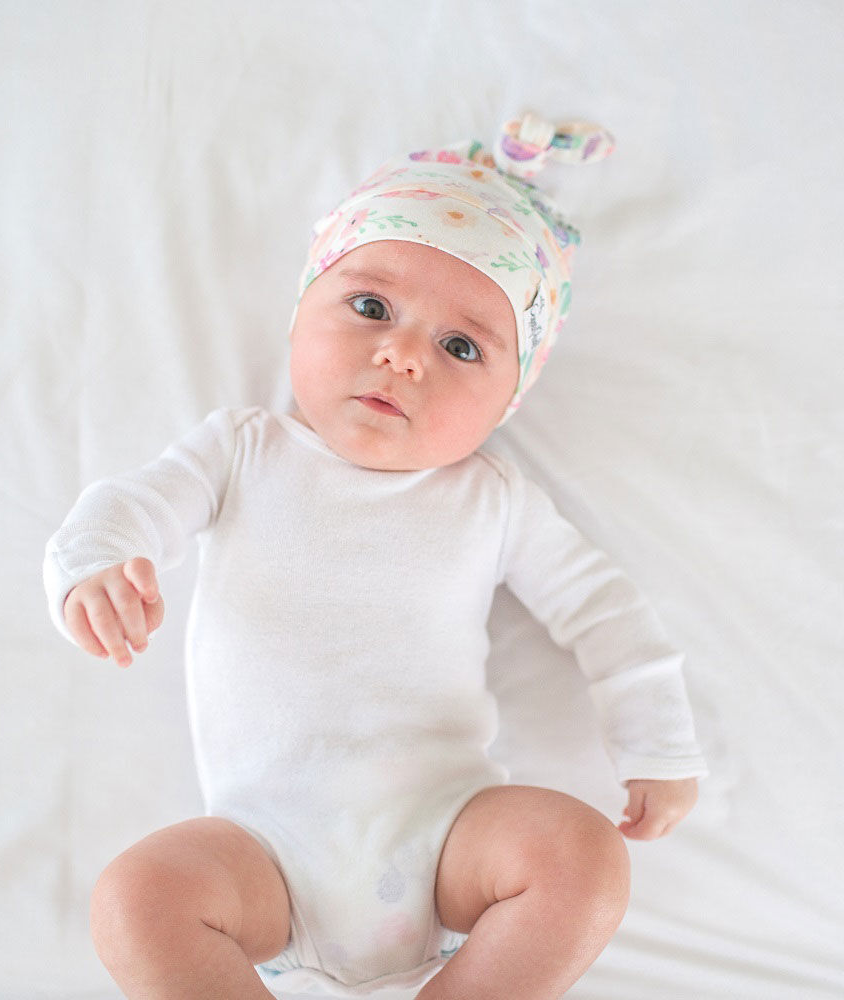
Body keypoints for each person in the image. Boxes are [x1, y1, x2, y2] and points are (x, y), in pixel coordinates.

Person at [44, 114, 707, 1000]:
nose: (400, 355)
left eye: (461, 346)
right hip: (261, 852)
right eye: (370, 307)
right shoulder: (242, 451)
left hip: (447, 840)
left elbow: (604, 610)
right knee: (137, 900)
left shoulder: (491, 500)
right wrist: (94, 566)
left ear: (506, 402)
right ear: (299, 314)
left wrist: (657, 742)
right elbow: (129, 504)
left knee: (580, 857)